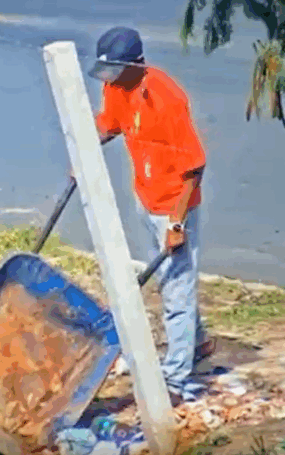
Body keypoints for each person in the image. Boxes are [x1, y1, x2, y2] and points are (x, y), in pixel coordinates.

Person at [87, 26, 215, 405]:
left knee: (176, 289)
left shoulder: (166, 98)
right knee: (169, 279)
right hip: (146, 196)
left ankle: (176, 378)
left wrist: (177, 224)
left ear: (135, 65)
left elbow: (194, 167)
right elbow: (109, 125)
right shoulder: (116, 86)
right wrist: (84, 149)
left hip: (175, 204)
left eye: (115, 71)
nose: (108, 79)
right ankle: (198, 342)